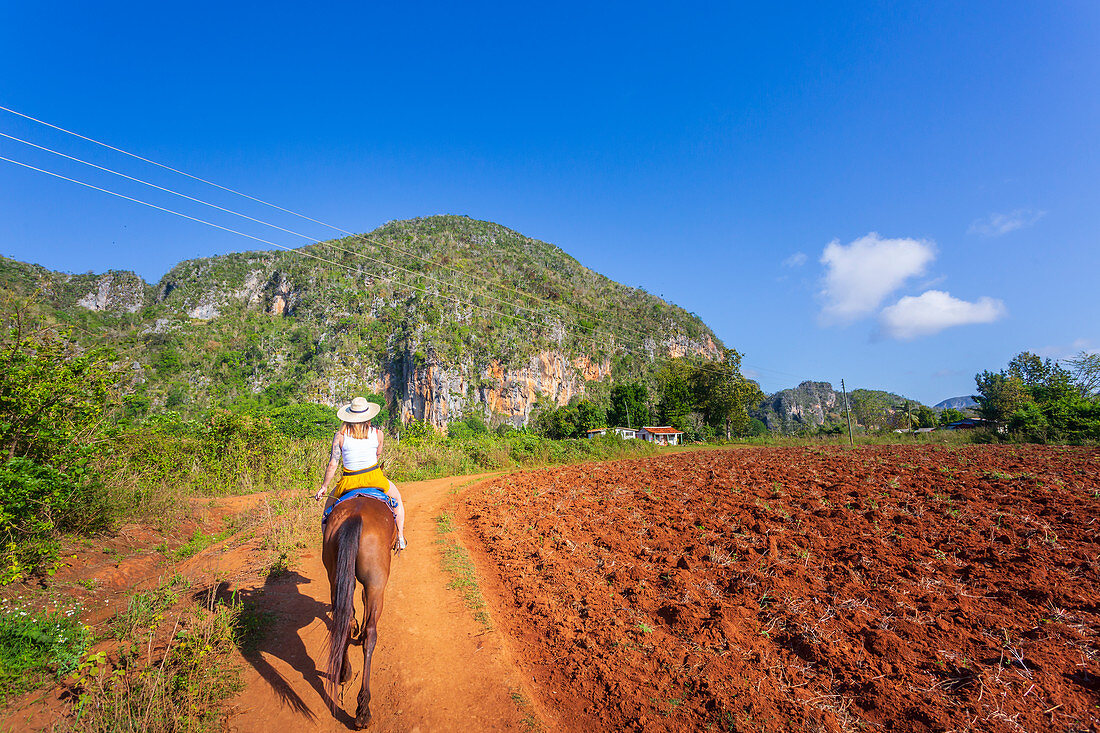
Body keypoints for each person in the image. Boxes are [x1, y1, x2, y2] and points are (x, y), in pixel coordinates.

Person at [313, 397, 407, 550]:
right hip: (375, 478)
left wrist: (324, 487)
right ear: (368, 416)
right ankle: (400, 537)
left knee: (326, 513)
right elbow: (377, 456)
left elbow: (333, 464)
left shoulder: (340, 436)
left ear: (349, 416)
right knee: (397, 499)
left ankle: (327, 547)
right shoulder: (378, 433)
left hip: (349, 482)